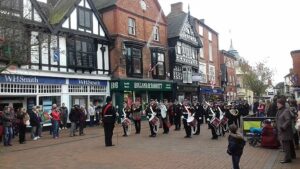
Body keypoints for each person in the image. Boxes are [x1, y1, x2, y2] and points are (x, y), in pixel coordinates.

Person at [276, 98, 296, 163]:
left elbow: (288, 120)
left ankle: (287, 158)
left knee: (286, 145)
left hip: (285, 131)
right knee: (289, 144)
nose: (277, 104)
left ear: (281, 104)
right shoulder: (280, 110)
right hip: (284, 131)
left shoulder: (285, 110)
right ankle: (292, 155)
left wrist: (283, 127)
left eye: (278, 103)